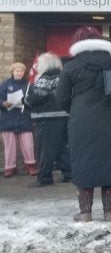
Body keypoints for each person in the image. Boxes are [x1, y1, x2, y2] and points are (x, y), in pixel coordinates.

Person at [55, 26, 111, 222]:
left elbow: (61, 98)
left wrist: (75, 111)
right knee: (109, 163)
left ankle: (85, 212)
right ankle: (109, 211)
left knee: (83, 163)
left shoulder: (71, 66)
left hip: (81, 122)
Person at [23, 52, 71, 187]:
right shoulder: (61, 76)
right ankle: (69, 173)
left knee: (44, 149)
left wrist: (24, 100)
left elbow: (36, 97)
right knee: (61, 147)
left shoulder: (46, 77)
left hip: (46, 118)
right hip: (62, 116)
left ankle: (44, 177)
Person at [0, 62, 36, 178]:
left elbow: (33, 100)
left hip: (24, 117)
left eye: (21, 71)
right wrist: (3, 103)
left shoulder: (28, 85)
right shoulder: (5, 85)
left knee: (28, 144)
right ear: (12, 72)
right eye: (17, 71)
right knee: (9, 146)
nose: (19, 73)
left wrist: (27, 101)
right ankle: (9, 167)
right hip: (8, 119)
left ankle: (30, 165)